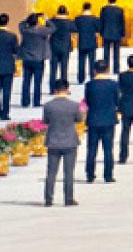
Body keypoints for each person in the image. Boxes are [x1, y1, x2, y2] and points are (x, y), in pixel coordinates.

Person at [42, 78, 83, 206]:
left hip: (53, 141)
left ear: (55, 90)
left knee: (51, 172)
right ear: (67, 89)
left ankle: (48, 199)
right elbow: (79, 119)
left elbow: (46, 121)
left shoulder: (48, 106)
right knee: (69, 172)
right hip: (70, 141)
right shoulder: (74, 105)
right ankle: (68, 198)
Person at [83, 59, 119, 183]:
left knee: (92, 149)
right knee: (108, 149)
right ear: (107, 70)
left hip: (93, 120)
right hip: (108, 120)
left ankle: (90, 174)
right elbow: (117, 100)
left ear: (94, 70)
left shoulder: (89, 85)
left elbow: (87, 101)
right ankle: (108, 175)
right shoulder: (113, 84)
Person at [19, 11, 51, 107]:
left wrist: (29, 18)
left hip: (27, 59)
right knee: (37, 82)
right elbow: (53, 28)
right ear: (37, 22)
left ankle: (25, 101)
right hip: (38, 59)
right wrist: (46, 19)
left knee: (26, 81)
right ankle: (36, 102)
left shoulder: (25, 31)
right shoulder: (42, 31)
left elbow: (21, 24)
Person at [71, 2, 98, 85]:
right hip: (92, 42)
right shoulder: (95, 19)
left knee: (81, 61)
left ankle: (81, 78)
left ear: (83, 8)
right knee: (92, 61)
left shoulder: (78, 19)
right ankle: (92, 77)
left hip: (82, 42)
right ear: (90, 8)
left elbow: (74, 29)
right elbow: (98, 29)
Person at [98, 0, 125, 74]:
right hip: (117, 33)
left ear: (108, 0)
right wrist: (122, 33)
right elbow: (122, 22)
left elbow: (101, 22)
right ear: (116, 0)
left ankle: (105, 69)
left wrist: (101, 32)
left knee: (106, 53)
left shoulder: (104, 9)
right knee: (116, 53)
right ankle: (116, 70)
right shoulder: (120, 10)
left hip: (106, 33)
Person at [49, 5, 73, 90]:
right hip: (65, 47)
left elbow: (47, 25)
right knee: (64, 69)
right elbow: (75, 28)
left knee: (53, 69)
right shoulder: (69, 22)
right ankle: (63, 88)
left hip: (54, 47)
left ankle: (52, 89)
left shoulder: (52, 21)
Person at [0, 14, 15, 120]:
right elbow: (15, 50)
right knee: (6, 91)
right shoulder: (12, 36)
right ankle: (5, 113)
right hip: (7, 66)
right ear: (7, 22)